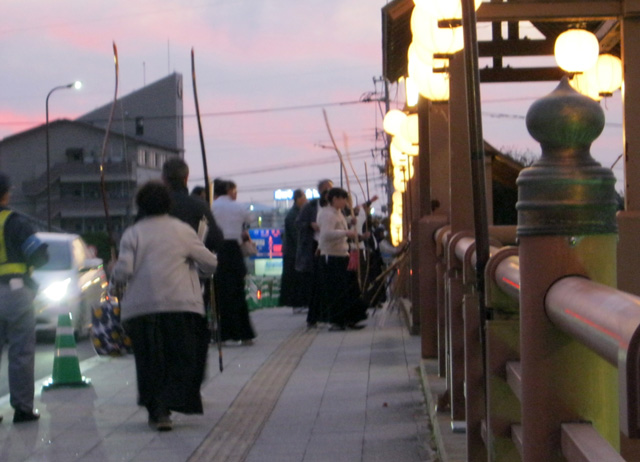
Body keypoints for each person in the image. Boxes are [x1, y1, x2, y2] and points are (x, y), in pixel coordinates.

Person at [112, 181, 218, 431]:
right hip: (181, 305)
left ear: (141, 206)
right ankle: (173, 401)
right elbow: (210, 262)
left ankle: (157, 412)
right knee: (178, 357)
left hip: (142, 308)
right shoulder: (182, 230)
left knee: (149, 360)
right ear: (168, 204)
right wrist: (197, 271)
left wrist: (113, 269)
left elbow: (124, 271)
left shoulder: (133, 232)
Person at [0, 172, 49, 424]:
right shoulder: (15, 222)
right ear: (7, 193)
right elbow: (39, 255)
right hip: (15, 293)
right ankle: (22, 408)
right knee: (20, 352)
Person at [212, 180, 256, 344]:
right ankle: (244, 334)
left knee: (222, 293)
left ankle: (223, 335)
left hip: (219, 251)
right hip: (234, 250)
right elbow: (250, 217)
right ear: (228, 190)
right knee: (238, 293)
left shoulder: (213, 206)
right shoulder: (237, 206)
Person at [317, 187, 367, 331]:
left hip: (342, 254)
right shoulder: (327, 214)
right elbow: (326, 234)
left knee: (349, 289)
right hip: (331, 256)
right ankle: (337, 321)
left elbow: (340, 227)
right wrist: (346, 232)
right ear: (334, 199)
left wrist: (349, 222)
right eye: (343, 199)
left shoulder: (338, 213)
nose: (345, 202)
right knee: (336, 290)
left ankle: (351, 318)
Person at [295, 179, 333, 327]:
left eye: (330, 189)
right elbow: (298, 223)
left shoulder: (336, 205)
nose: (327, 193)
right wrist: (310, 225)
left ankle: (329, 315)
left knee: (330, 282)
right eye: (325, 190)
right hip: (315, 247)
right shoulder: (310, 206)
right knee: (316, 283)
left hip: (332, 246)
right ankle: (313, 317)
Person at [279, 189, 308, 311]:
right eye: (304, 198)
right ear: (299, 199)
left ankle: (299, 304)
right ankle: (296, 305)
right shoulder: (293, 215)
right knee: (295, 280)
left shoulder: (298, 213)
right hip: (293, 253)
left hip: (295, 252)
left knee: (297, 279)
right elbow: (297, 235)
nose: (306, 200)